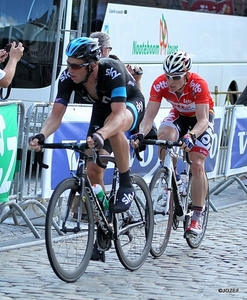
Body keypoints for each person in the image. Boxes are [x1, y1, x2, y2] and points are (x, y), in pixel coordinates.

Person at [28, 37, 145, 261]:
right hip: (102, 108)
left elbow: (119, 115)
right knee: (92, 172)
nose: (69, 69)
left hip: (129, 103)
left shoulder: (112, 70)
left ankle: (127, 183)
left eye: (75, 65)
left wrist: (102, 134)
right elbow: (56, 115)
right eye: (68, 64)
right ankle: (104, 224)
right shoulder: (68, 77)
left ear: (91, 65)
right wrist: (42, 135)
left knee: (116, 127)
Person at [131, 51, 214, 236]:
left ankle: (196, 217)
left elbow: (203, 120)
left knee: (197, 163)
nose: (170, 82)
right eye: (168, 76)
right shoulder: (160, 83)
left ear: (186, 74)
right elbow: (149, 116)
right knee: (164, 135)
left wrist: (191, 136)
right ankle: (172, 177)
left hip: (200, 121)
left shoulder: (198, 84)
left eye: (176, 77)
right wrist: (141, 133)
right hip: (179, 115)